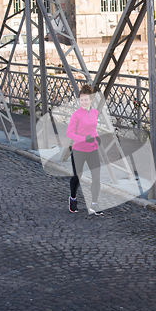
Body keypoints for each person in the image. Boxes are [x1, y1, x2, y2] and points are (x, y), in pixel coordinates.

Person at [66, 84, 103, 215]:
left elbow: (92, 129)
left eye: (86, 100)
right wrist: (83, 138)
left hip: (92, 149)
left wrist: (96, 137)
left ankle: (94, 204)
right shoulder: (75, 115)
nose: (84, 102)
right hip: (79, 150)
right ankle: (73, 198)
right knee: (77, 176)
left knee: (96, 177)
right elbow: (69, 133)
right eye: (81, 100)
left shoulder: (94, 112)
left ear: (91, 100)